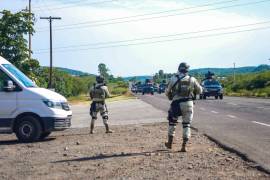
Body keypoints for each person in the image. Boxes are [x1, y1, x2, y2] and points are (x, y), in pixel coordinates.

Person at [165, 62, 202, 152]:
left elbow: (167, 91)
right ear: (187, 70)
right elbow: (200, 90)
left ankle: (170, 143)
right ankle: (184, 146)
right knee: (186, 125)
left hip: (176, 103)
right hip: (188, 103)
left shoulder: (173, 78)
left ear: (179, 69)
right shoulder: (192, 79)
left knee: (172, 122)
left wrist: (170, 96)